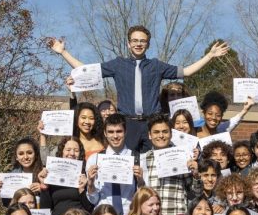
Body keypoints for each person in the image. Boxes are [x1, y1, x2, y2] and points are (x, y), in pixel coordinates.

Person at [49, 27, 230, 153]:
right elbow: (84, 70)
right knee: (128, 165)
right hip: (127, 123)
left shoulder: (156, 65)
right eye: (134, 41)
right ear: (128, 43)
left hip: (152, 122)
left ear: (148, 45)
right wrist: (63, 52)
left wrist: (210, 55)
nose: (138, 44)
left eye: (142, 41)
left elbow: (187, 71)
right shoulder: (118, 64)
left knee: (153, 165)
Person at [139, 115, 200, 215]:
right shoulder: (143, 160)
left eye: (165, 131)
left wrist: (196, 175)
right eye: (156, 132)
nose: (161, 135)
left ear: (171, 134)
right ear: (149, 135)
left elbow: (195, 193)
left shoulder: (183, 157)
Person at [85, 113, 143, 215]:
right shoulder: (94, 159)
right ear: (105, 133)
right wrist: (90, 184)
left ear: (125, 132)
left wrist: (140, 180)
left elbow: (144, 197)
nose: (115, 136)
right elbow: (93, 200)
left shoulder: (138, 159)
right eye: (111, 132)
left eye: (119, 131)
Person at [38, 136, 94, 215]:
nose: (72, 153)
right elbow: (45, 208)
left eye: (76, 150)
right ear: (62, 152)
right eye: (68, 150)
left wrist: (82, 190)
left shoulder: (86, 175)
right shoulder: (51, 174)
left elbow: (90, 208)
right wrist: (44, 186)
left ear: (80, 153)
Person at [0, 137, 43, 206]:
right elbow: (7, 205)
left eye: (29, 153)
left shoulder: (44, 174)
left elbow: (53, 200)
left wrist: (44, 190)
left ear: (36, 154)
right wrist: (2, 191)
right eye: (21, 154)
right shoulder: (10, 177)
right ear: (16, 157)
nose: (25, 157)